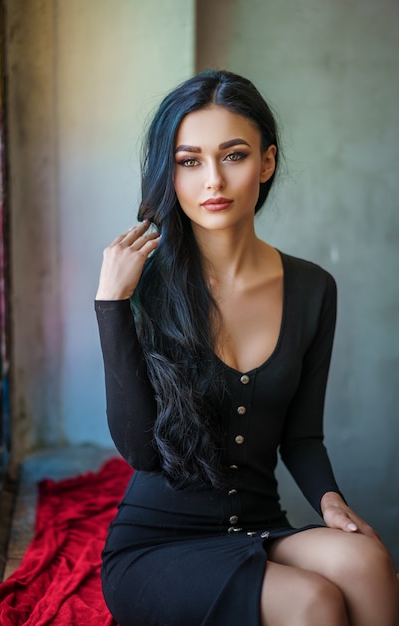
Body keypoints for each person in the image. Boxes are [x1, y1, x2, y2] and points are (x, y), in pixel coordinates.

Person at [95, 69, 399, 626]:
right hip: (157, 548)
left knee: (367, 561)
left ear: (266, 162)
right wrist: (112, 305)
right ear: (171, 172)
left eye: (233, 156)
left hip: (260, 526)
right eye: (190, 161)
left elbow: (302, 436)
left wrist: (329, 500)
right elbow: (139, 450)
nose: (213, 180)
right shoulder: (146, 287)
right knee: (313, 601)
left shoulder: (312, 288)